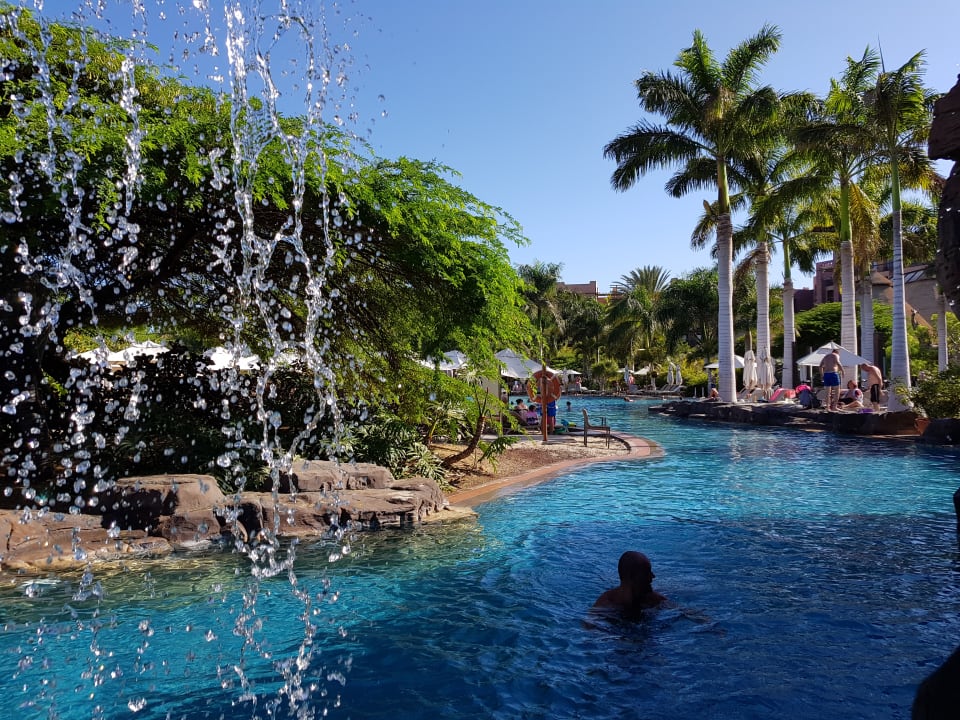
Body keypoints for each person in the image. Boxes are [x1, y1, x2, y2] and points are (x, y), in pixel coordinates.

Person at [593, 551, 668, 618]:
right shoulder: (606, 603)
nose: (653, 576)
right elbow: (591, 624)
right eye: (646, 573)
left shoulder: (657, 600)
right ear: (632, 577)